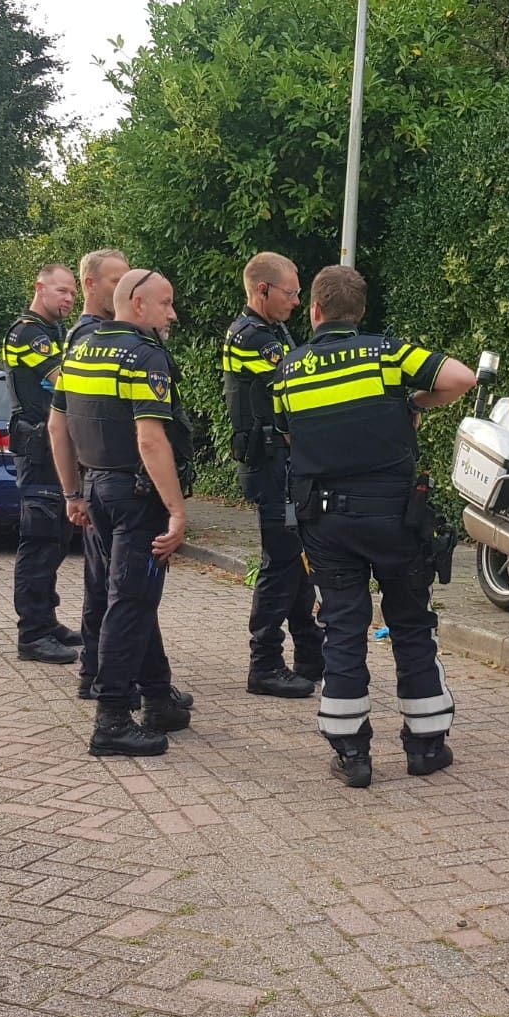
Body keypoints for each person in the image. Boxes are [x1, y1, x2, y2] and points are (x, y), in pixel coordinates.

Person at [271, 266, 476, 787]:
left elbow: (288, 435)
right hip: (395, 517)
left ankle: (352, 753)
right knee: (411, 623)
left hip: (326, 519)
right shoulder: (387, 353)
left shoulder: (288, 370)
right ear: (361, 312)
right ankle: (426, 746)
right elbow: (461, 378)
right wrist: (409, 403)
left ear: (315, 311)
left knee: (343, 626)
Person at [54, 268, 195, 757]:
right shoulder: (145, 355)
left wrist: (72, 493)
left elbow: (57, 428)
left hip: (96, 489)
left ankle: (158, 699)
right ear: (138, 304)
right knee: (130, 601)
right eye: (166, 303)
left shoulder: (79, 349)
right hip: (137, 496)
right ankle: (112, 719)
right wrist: (176, 511)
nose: (172, 314)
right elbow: (150, 439)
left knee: (133, 595)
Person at [223, 251, 324, 698]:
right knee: (280, 563)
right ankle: (264, 664)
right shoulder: (252, 338)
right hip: (270, 467)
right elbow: (296, 388)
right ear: (263, 289)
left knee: (296, 561)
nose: (297, 301)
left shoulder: (272, 330)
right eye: (291, 292)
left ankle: (310, 654)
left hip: (282, 464)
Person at [3, 263, 82, 665]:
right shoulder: (28, 333)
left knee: (57, 539)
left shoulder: (53, 332)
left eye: (73, 293)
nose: (69, 298)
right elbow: (63, 379)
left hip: (53, 448)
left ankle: (46, 622)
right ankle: (32, 635)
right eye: (62, 291)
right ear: (40, 287)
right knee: (39, 540)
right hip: (38, 448)